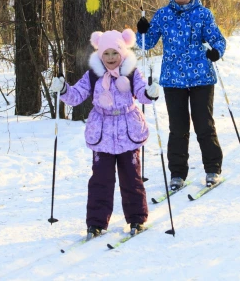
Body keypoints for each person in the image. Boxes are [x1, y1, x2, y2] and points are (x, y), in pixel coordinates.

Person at [50, 29, 160, 240]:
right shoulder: (93, 75)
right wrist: (63, 89)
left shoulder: (132, 72)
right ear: (100, 54)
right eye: (106, 53)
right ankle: (96, 223)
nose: (111, 58)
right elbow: (76, 96)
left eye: (115, 53)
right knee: (101, 179)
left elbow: (142, 93)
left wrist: (150, 92)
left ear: (122, 52)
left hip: (128, 132)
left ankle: (137, 218)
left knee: (131, 177)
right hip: (102, 134)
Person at [136, 0, 227, 190]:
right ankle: (177, 173)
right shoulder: (163, 15)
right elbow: (147, 44)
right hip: (173, 80)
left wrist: (216, 52)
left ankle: (212, 168)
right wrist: (142, 30)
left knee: (204, 124)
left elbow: (217, 39)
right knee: (178, 128)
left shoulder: (203, 14)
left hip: (201, 78)